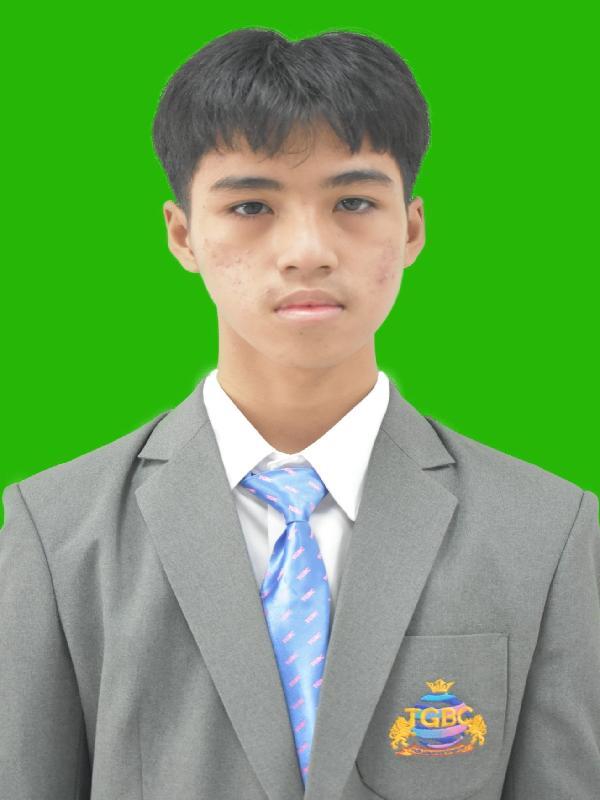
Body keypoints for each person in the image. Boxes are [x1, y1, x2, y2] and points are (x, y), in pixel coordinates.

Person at [1, 27, 598, 800]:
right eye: (251, 204)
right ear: (183, 235)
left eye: (353, 201)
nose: (308, 249)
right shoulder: (57, 532)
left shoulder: (547, 532)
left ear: (411, 228)